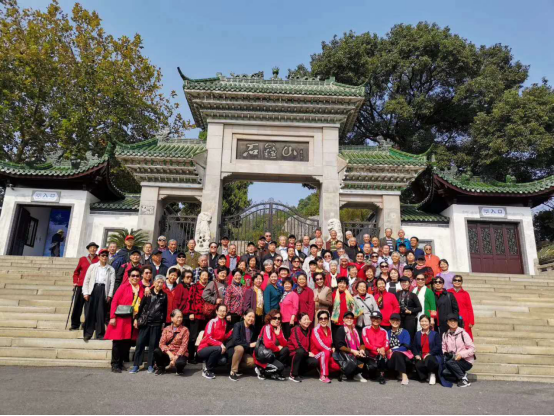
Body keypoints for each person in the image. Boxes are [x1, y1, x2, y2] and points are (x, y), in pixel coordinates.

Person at [105, 267, 144, 373]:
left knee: (126, 342)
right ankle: (115, 364)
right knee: (117, 342)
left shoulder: (141, 288)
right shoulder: (123, 287)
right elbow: (114, 301)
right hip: (121, 318)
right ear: (129, 277)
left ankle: (121, 362)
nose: (135, 278)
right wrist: (112, 317)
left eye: (137, 276)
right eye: (133, 276)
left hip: (132, 319)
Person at [130, 275, 168, 374]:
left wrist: (163, 323)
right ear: (154, 283)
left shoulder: (164, 296)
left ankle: (150, 365)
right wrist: (136, 318)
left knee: (153, 345)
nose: (159, 284)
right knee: (140, 343)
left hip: (156, 323)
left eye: (161, 282)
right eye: (158, 282)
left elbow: (164, 311)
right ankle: (136, 365)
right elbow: (141, 306)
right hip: (145, 322)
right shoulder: (148, 293)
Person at [82, 249, 115, 341]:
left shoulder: (111, 269)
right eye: (102, 255)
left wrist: (109, 294)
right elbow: (86, 280)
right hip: (93, 289)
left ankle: (100, 334)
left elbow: (112, 283)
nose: (104, 257)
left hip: (103, 290)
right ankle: (88, 333)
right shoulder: (93, 266)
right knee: (90, 312)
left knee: (101, 312)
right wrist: (85, 292)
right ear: (99, 257)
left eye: (106, 256)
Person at [197, 304, 233, 380]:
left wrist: (231, 332)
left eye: (224, 311)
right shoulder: (212, 322)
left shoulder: (224, 323)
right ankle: (207, 370)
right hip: (204, 348)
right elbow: (208, 338)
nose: (222, 313)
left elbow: (223, 337)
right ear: (216, 312)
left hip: (215, 348)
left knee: (223, 360)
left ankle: (207, 362)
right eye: (220, 311)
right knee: (218, 349)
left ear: (226, 313)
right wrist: (220, 344)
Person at [412, 315, 448, 386]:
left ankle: (432, 373)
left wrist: (429, 353)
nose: (424, 323)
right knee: (418, 365)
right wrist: (416, 354)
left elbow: (438, 346)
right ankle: (426, 374)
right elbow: (414, 346)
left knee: (429, 359)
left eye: (426, 321)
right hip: (421, 356)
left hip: (433, 356)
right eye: (422, 321)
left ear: (429, 323)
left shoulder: (435, 334)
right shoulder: (417, 334)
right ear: (420, 323)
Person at [70, 242, 99, 331]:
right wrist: (75, 281)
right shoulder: (82, 259)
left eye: (94, 248)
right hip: (81, 285)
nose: (93, 249)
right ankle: (75, 324)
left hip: (92, 286)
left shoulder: (99, 259)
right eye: (91, 248)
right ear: (88, 249)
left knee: (89, 307)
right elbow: (76, 272)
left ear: (96, 249)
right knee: (77, 306)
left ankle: (87, 325)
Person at [255, 309, 290, 382]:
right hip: (264, 355)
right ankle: (261, 369)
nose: (277, 320)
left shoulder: (278, 328)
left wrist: (278, 335)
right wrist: (277, 348)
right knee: (280, 367)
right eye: (275, 318)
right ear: (270, 318)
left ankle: (275, 372)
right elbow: (268, 344)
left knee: (286, 350)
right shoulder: (267, 327)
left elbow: (285, 344)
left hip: (272, 354)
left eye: (279, 318)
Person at [442, 314, 476, 388]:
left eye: (455, 321)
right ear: (447, 322)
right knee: (445, 373)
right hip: (453, 360)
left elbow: (472, 349)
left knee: (450, 362)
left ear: (458, 322)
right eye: (451, 321)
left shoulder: (463, 333)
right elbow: (443, 348)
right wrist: (445, 353)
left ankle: (464, 380)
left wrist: (461, 355)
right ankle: (462, 374)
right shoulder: (445, 335)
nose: (453, 322)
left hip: (466, 361)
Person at [154, 309, 189, 376]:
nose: (180, 319)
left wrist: (175, 358)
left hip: (179, 353)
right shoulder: (166, 329)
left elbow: (184, 346)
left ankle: (179, 369)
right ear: (172, 318)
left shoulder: (185, 330)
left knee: (180, 363)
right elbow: (161, 344)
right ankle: (161, 368)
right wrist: (169, 353)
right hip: (168, 352)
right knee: (157, 351)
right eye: (178, 317)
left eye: (181, 317)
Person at [335, 312, 368, 382]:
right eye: (347, 318)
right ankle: (345, 372)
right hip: (345, 353)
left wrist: (362, 350)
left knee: (365, 354)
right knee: (352, 359)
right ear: (343, 319)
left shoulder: (356, 329)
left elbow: (362, 343)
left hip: (356, 352)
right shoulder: (341, 329)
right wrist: (353, 351)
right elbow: (340, 346)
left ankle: (357, 373)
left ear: (353, 320)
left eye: (351, 318)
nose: (349, 319)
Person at [288, 313, 319, 383]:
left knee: (314, 362)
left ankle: (300, 372)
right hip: (294, 354)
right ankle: (293, 375)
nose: (307, 321)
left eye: (308, 319)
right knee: (300, 351)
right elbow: (298, 345)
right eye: (304, 319)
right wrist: (308, 353)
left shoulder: (310, 331)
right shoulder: (296, 329)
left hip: (304, 354)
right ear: (299, 321)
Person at [187, 270, 210, 364]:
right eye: (203, 275)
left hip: (207, 316)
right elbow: (190, 299)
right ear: (199, 276)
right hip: (196, 315)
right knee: (193, 337)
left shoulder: (209, 287)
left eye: (206, 275)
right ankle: (190, 357)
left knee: (204, 337)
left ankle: (200, 356)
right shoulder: (194, 286)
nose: (204, 277)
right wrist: (190, 312)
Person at [227, 309, 257, 382]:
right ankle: (233, 371)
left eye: (253, 317)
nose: (251, 318)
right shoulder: (238, 325)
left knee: (252, 362)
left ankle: (238, 367)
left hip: (245, 351)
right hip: (235, 349)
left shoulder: (253, 328)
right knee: (240, 348)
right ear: (244, 316)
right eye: (249, 316)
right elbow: (236, 341)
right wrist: (249, 345)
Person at [361, 311, 389, 385]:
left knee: (382, 356)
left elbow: (386, 344)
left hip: (380, 353)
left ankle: (381, 376)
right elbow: (366, 344)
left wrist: (383, 349)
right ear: (370, 319)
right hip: (370, 353)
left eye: (378, 318)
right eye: (373, 318)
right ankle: (366, 371)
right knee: (371, 371)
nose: (375, 320)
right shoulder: (365, 329)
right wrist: (377, 349)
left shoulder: (384, 331)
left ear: (381, 320)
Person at [387, 314, 413, 386]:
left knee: (397, 353)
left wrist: (393, 350)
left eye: (397, 320)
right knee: (396, 354)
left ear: (400, 322)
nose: (395, 322)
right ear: (390, 321)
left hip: (404, 356)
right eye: (393, 320)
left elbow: (406, 346)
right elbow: (385, 345)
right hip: (391, 358)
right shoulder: (388, 333)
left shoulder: (405, 332)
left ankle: (404, 375)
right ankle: (400, 373)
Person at [448, 276, 475, 340]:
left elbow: (469, 308)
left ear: (461, 282)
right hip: (452, 318)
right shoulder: (448, 292)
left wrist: (471, 321)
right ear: (452, 282)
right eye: (455, 280)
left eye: (459, 280)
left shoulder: (465, 294)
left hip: (464, 318)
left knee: (465, 338)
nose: (457, 282)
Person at [396, 277, 423, 342]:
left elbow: (419, 308)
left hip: (410, 318)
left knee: (409, 336)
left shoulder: (413, 295)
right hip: (399, 318)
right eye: (402, 282)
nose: (403, 284)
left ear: (409, 284)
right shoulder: (397, 294)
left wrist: (410, 311)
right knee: (400, 336)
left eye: (405, 282)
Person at [243, 274, 265, 338]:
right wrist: (248, 315)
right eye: (257, 279)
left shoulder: (262, 291)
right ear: (253, 280)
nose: (258, 280)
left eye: (260, 279)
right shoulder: (250, 290)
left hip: (260, 316)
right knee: (251, 334)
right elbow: (246, 305)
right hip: (252, 316)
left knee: (258, 333)